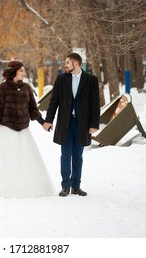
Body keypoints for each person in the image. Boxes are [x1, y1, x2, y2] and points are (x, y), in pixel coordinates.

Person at [0, 60, 55, 197]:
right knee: (6, 159)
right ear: (14, 71)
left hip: (23, 130)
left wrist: (43, 122)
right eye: (21, 70)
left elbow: (33, 109)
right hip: (7, 128)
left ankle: (24, 186)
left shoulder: (27, 88)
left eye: (24, 70)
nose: (24, 72)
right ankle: (4, 187)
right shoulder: (2, 88)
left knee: (24, 160)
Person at [42, 53, 100, 197]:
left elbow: (95, 104)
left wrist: (94, 124)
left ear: (76, 64)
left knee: (78, 156)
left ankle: (76, 186)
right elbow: (53, 101)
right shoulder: (61, 79)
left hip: (83, 124)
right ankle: (65, 186)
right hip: (65, 123)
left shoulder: (91, 80)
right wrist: (48, 120)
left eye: (67, 62)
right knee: (65, 155)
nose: (65, 65)